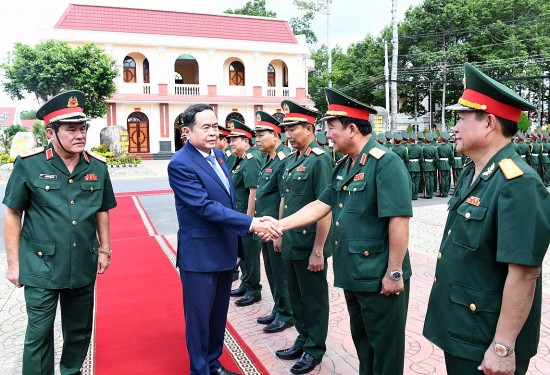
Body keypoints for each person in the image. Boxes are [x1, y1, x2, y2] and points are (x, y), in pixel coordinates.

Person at [262, 87, 413, 375]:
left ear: (353, 128)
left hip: (379, 275)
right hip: (354, 272)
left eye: (331, 128)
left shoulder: (386, 163)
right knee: (364, 343)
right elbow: (321, 204)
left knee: (386, 349)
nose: (327, 134)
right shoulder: (344, 165)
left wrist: (394, 272)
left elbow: (399, 220)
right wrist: (280, 225)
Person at [422, 62, 550, 375]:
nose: (454, 127)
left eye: (461, 118)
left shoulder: (518, 183)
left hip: (487, 340)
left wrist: (503, 348)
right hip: (463, 328)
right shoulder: (471, 172)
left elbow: (524, 273)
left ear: (489, 122)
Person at [3, 90, 117, 375]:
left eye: (83, 129)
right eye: (71, 129)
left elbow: (102, 209)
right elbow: (13, 213)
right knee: (39, 333)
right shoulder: (29, 165)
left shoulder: (97, 167)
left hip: (82, 262)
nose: (80, 135)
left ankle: (71, 371)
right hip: (41, 264)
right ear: (51, 132)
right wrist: (14, 264)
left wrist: (105, 249)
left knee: (79, 330)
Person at [167, 103, 280, 375]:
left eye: (215, 126)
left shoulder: (218, 156)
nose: (212, 132)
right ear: (187, 131)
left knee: (217, 316)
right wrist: (251, 223)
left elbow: (228, 202)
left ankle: (214, 363)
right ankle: (200, 370)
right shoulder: (180, 163)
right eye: (205, 127)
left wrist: (237, 243)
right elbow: (204, 206)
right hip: (200, 255)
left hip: (224, 250)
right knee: (199, 319)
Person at [275, 100, 333, 374]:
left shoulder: (320, 160)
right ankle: (302, 338)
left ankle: (314, 349)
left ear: (309, 128)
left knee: (313, 299)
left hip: (310, 244)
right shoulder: (291, 159)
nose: (287, 134)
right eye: (285, 129)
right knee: (297, 297)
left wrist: (318, 249)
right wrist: (279, 231)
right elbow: (286, 200)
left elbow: (325, 208)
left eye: (292, 128)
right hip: (291, 241)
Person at [253, 110, 294, 333]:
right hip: (265, 228)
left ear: (276, 135)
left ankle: (286, 313)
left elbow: (284, 198)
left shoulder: (283, 159)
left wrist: (280, 231)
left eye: (262, 134)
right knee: (271, 270)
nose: (257, 139)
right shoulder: (267, 159)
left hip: (276, 228)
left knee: (281, 273)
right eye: (256, 135)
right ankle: (279, 308)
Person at [226, 120, 263, 307]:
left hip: (247, 216)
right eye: (230, 140)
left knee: (250, 254)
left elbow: (253, 191)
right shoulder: (241, 160)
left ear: (246, 140)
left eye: (235, 140)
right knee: (244, 252)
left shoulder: (251, 159)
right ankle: (246, 283)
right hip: (239, 214)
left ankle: (253, 289)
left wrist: (249, 220)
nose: (231, 143)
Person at [436, 131, 454, 197]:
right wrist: (449, 163)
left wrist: (437, 163)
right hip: (447, 164)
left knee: (441, 179)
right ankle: (446, 192)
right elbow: (452, 157)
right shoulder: (449, 147)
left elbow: (437, 157)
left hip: (441, 164)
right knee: (446, 179)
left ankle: (442, 192)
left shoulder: (439, 147)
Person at [406, 132, 423, 200]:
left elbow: (406, 158)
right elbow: (421, 158)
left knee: (411, 181)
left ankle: (412, 194)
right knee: (416, 182)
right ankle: (415, 195)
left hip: (410, 166)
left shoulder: (407, 148)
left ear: (410, 139)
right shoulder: (419, 148)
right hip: (417, 166)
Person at [421, 133, 438, 198]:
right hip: (432, 165)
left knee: (427, 180)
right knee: (431, 179)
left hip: (426, 165)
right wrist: (435, 164)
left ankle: (427, 194)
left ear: (425, 140)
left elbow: (422, 158)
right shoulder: (434, 148)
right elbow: (436, 158)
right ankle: (431, 193)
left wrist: (423, 165)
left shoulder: (423, 148)